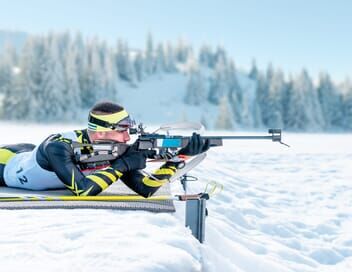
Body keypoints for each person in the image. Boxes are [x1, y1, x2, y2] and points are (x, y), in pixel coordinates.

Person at [0, 101, 209, 197]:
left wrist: (178, 158)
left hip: (26, 153)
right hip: (6, 163)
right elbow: (83, 190)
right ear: (100, 133)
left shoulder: (114, 150)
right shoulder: (58, 147)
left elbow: (146, 188)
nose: (128, 137)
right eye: (123, 130)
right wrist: (123, 165)